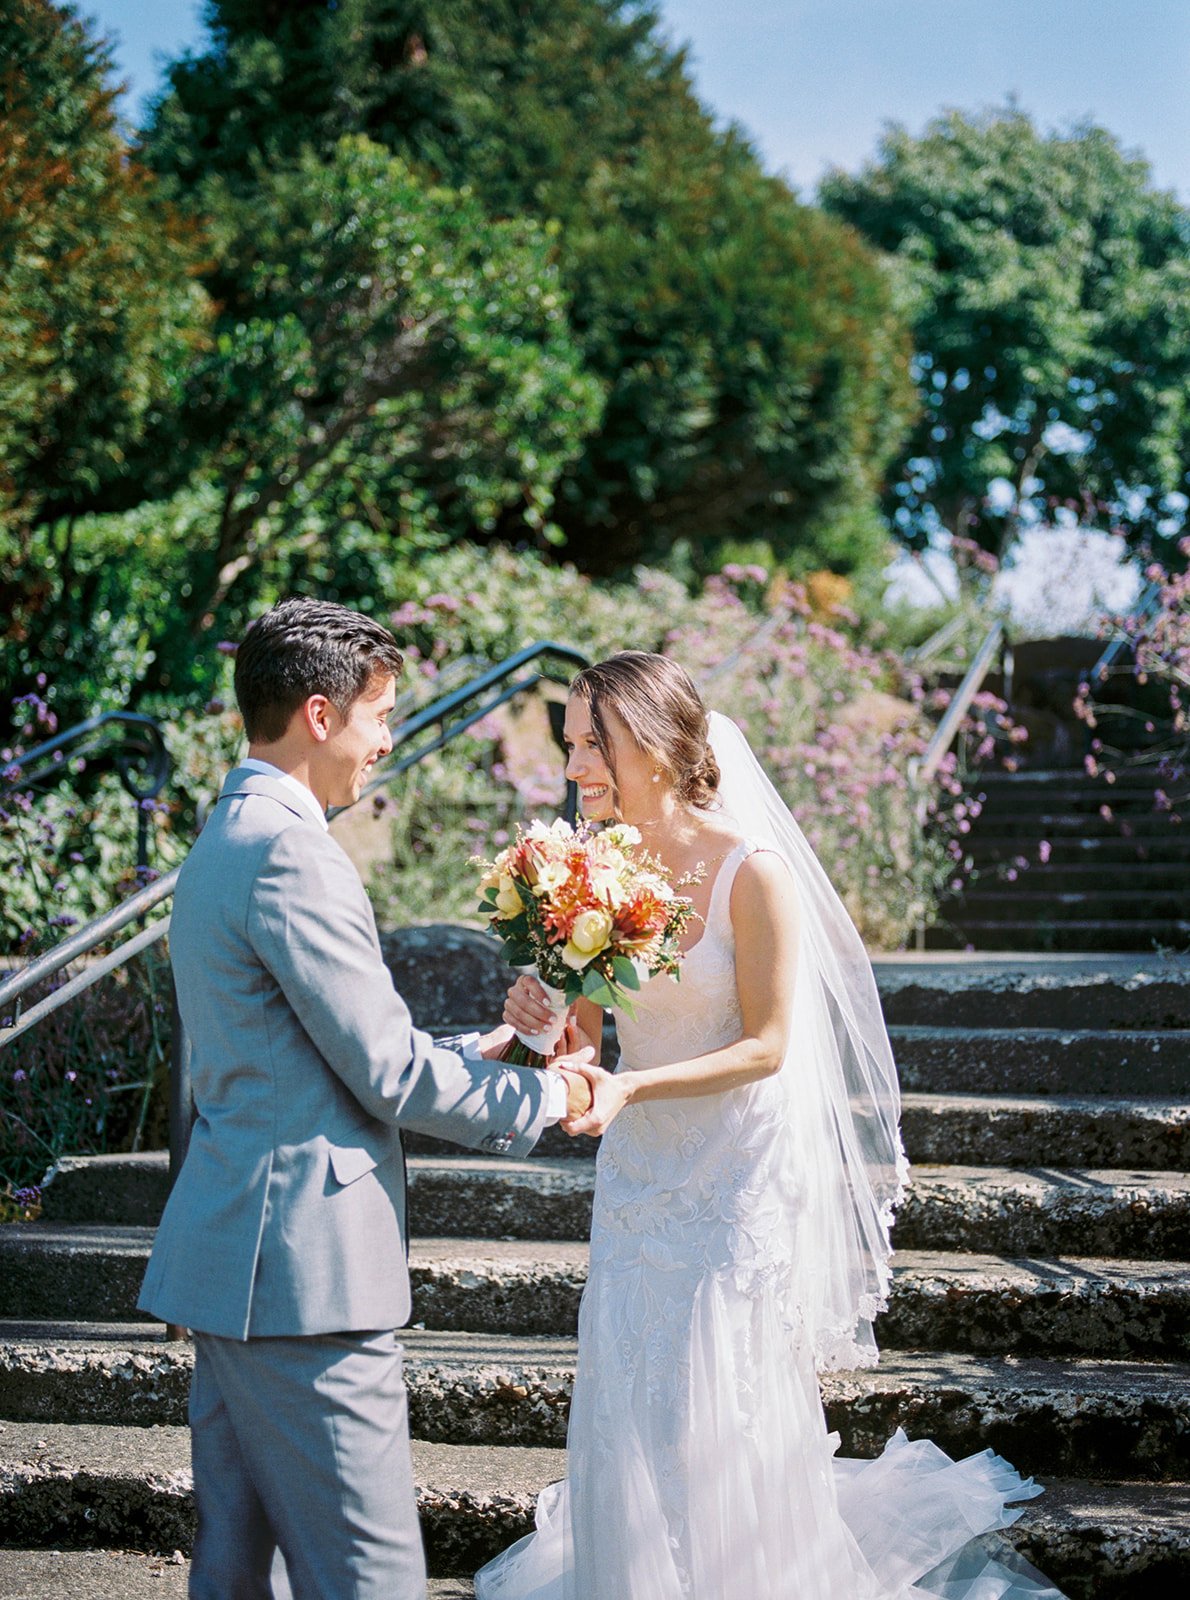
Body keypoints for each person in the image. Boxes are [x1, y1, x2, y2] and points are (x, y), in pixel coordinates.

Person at [477, 650, 1066, 1600]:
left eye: (597, 744)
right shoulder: (587, 868)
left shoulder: (754, 874)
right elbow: (584, 1037)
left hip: (732, 1166)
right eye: (573, 744)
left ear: (660, 747)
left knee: (726, 1387)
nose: (577, 766)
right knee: (631, 1382)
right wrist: (549, 1033)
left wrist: (630, 1088)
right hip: (641, 1172)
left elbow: (769, 1045)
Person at [138, 597, 594, 1600]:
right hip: (304, 1279)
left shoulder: (227, 836)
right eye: (380, 714)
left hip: (239, 1262)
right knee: (370, 1578)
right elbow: (385, 1074)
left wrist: (496, 1046)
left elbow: (316, 1050)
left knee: (229, 1573)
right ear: (317, 713)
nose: (385, 740)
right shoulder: (294, 851)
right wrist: (545, 1094)